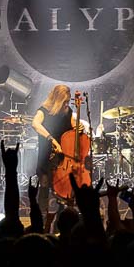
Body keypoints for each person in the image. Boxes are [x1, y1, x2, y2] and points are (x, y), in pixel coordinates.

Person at [31, 83, 81, 214]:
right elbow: (35, 124)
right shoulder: (44, 110)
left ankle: (63, 216)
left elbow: (73, 126)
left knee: (63, 188)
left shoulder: (67, 111)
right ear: (57, 99)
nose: (66, 104)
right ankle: (41, 217)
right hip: (47, 155)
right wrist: (52, 140)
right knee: (44, 185)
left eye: (68, 102)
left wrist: (78, 127)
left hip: (63, 157)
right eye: (64, 102)